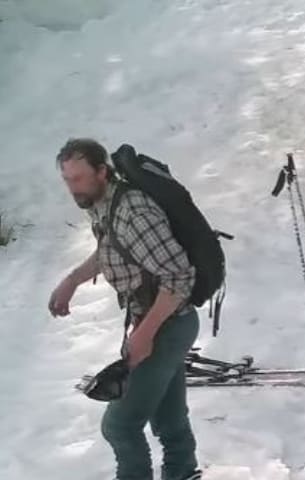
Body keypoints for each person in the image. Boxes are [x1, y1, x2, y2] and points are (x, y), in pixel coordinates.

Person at [49, 138, 203, 480]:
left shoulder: (134, 212)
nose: (72, 188)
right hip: (157, 322)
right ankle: (184, 473)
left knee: (119, 426)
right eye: (67, 180)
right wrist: (73, 280)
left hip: (167, 324)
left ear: (102, 171)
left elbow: (179, 276)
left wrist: (146, 334)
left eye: (78, 178)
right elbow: (113, 250)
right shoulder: (104, 203)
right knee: (169, 417)